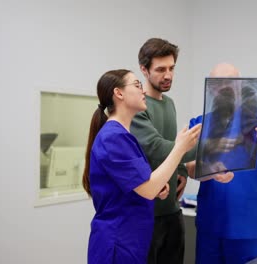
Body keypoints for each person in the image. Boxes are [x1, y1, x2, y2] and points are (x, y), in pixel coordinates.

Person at [129, 38, 232, 264]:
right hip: (146, 213)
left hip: (172, 210)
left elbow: (173, 146)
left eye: (172, 68)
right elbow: (158, 148)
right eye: (160, 69)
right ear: (144, 70)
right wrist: (207, 148)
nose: (168, 75)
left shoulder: (170, 104)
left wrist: (183, 172)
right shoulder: (137, 106)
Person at [83, 69, 201, 264]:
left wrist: (155, 188)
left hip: (132, 241)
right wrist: (179, 149)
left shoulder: (124, 136)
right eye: (137, 86)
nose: (143, 91)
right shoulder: (113, 137)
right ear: (119, 93)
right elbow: (147, 189)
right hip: (117, 243)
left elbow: (141, 185)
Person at [187, 63, 257, 264]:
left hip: (248, 224)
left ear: (241, 87)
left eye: (230, 84)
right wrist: (211, 170)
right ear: (211, 89)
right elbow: (190, 168)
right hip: (211, 223)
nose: (223, 89)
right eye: (217, 85)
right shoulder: (200, 123)